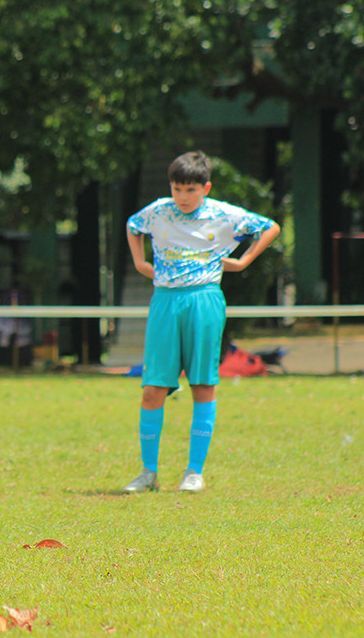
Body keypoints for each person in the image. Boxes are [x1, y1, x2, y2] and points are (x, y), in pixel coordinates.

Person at [122, 151, 279, 494]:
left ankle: (194, 472)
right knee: (152, 390)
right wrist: (139, 263)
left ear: (205, 187)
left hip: (204, 299)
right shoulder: (159, 210)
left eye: (190, 189)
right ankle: (148, 472)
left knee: (203, 384)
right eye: (177, 189)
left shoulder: (223, 214)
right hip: (165, 300)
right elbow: (134, 226)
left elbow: (270, 227)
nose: (183, 196)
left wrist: (244, 260)